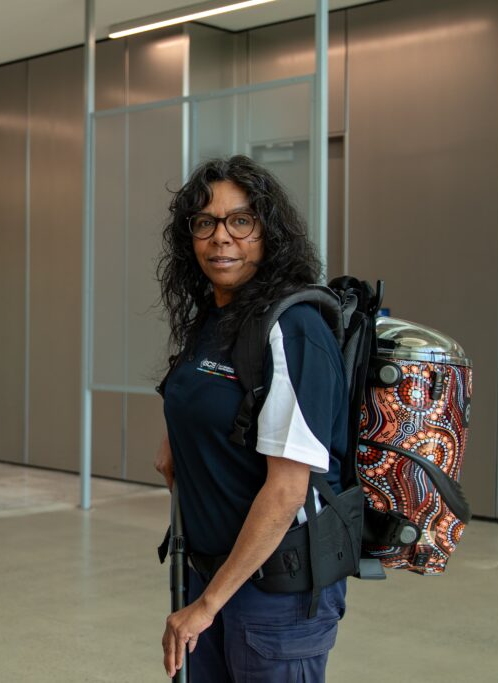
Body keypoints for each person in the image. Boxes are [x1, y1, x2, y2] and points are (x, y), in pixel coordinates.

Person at [154, 156, 348, 681]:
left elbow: (287, 491)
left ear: (268, 233)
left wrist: (206, 605)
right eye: (205, 223)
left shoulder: (294, 328)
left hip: (275, 597)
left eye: (241, 221)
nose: (222, 238)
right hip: (212, 575)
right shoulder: (216, 318)